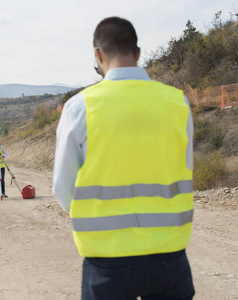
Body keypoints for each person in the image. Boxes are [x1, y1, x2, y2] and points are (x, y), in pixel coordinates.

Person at [53, 17, 195, 300]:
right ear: (138, 53)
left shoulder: (80, 107)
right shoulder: (178, 102)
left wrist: (98, 221)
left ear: (97, 54)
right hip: (169, 256)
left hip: (107, 261)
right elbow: (186, 170)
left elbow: (62, 187)